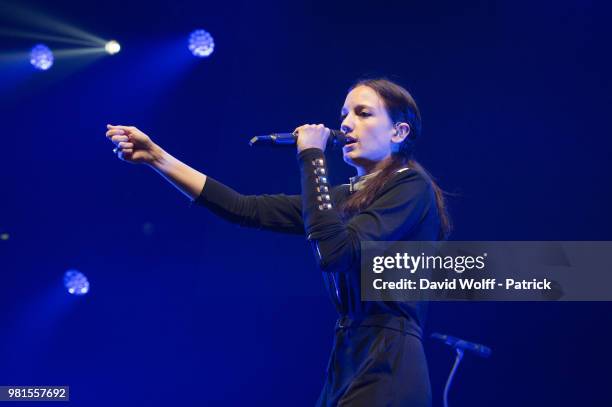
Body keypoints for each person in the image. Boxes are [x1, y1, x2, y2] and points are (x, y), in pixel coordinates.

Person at [106, 78, 451, 406]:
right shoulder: (346, 196)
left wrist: (312, 157)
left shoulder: (411, 186)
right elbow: (244, 208)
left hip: (389, 360)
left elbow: (336, 252)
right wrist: (157, 158)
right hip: (349, 355)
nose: (346, 124)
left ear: (398, 131)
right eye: (344, 115)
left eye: (362, 113)